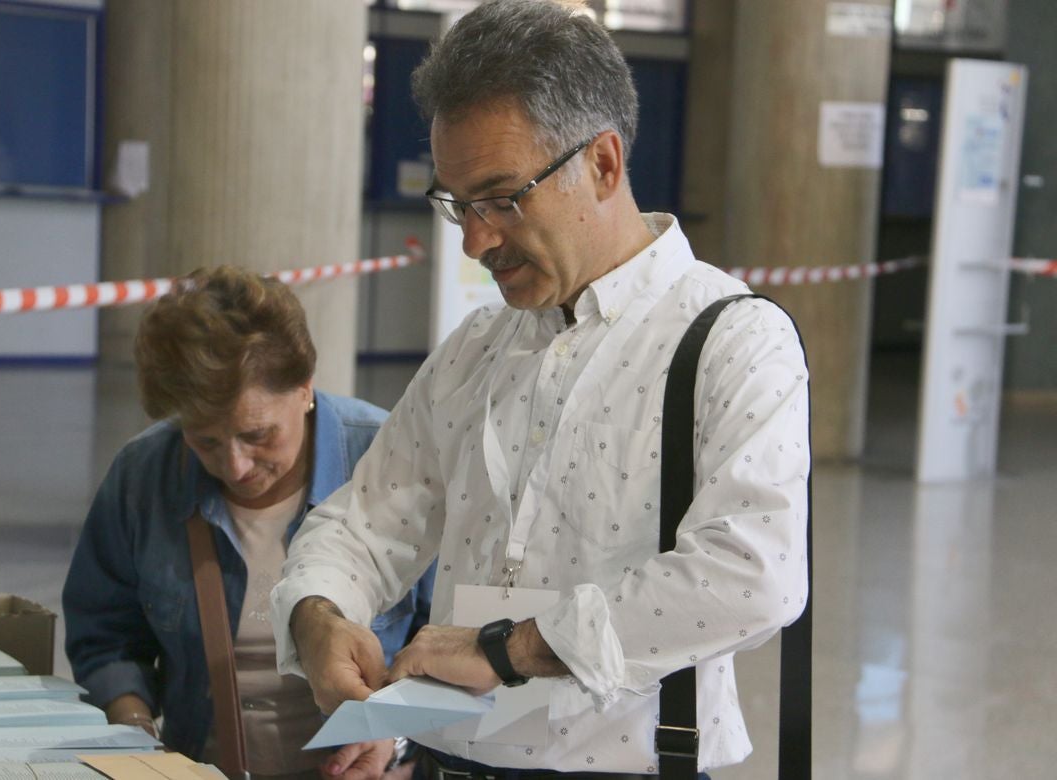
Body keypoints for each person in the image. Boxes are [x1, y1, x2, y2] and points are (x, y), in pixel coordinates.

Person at [270, 1, 810, 777]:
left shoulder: (731, 339)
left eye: (501, 197)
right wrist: (319, 613)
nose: (475, 240)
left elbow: (753, 572)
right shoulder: (477, 350)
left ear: (603, 164)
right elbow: (364, 521)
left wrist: (513, 648)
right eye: (458, 203)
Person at [63, 267, 435, 780]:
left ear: (305, 388)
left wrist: (394, 742)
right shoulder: (143, 475)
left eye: (257, 434)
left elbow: (451, 642)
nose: (235, 466)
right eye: (205, 441)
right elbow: (104, 634)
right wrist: (135, 728)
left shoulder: (389, 462)